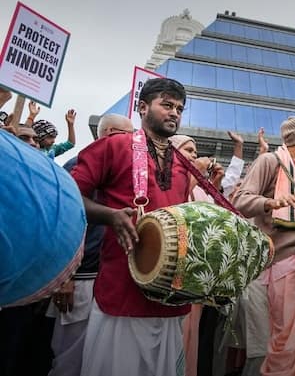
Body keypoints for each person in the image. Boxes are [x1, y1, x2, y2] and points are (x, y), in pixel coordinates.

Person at [70, 78, 191, 376]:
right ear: (142, 107)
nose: (174, 112)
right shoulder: (113, 146)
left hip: (169, 295)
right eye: (167, 105)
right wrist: (110, 216)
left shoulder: (182, 164)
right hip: (122, 289)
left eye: (179, 108)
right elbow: (68, 196)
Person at [232, 117, 295, 376]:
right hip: (272, 268)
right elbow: (240, 200)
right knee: (269, 350)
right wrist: (269, 203)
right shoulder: (270, 162)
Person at [46, 114, 133, 376]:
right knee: (70, 358)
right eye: (125, 135)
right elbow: (65, 219)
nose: (131, 142)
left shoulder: (123, 169)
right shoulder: (78, 165)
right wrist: (66, 277)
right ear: (106, 135)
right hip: (80, 278)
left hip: (105, 277)